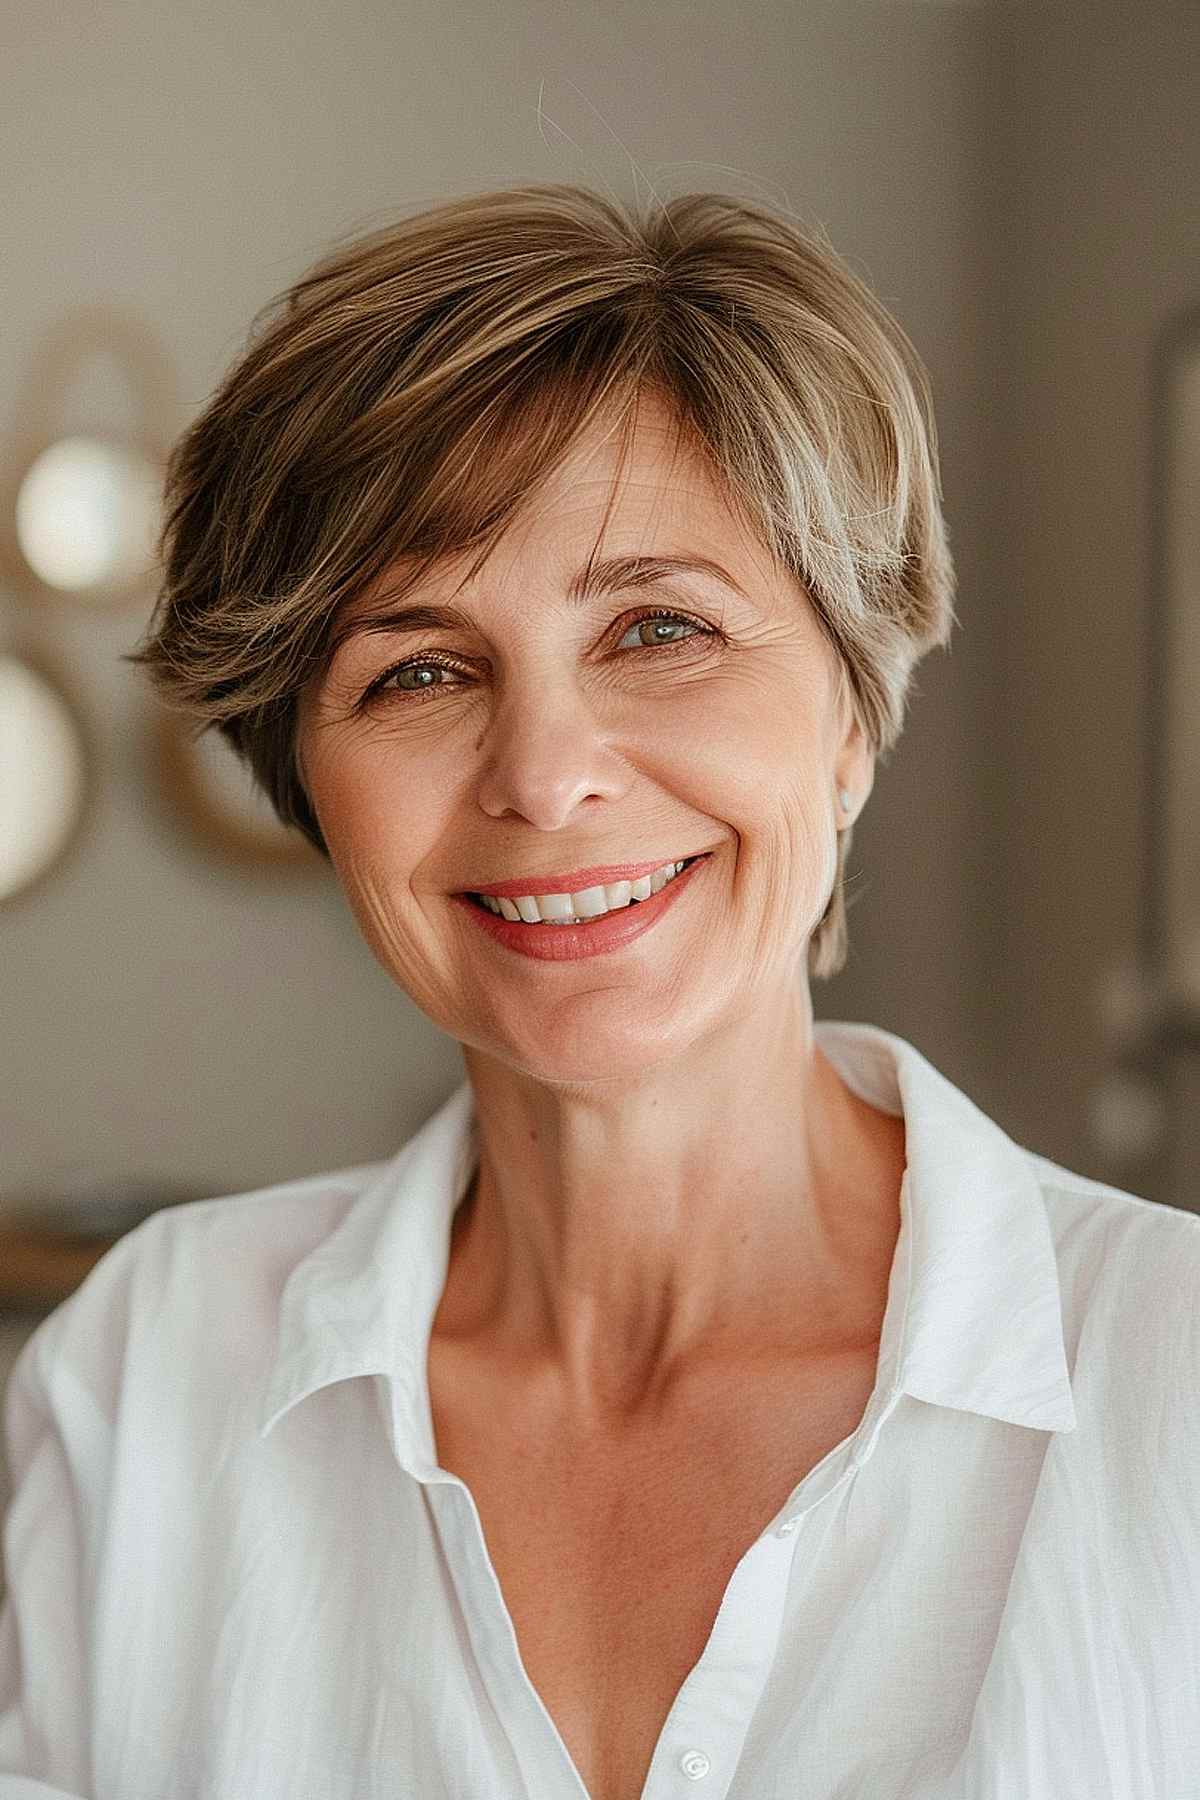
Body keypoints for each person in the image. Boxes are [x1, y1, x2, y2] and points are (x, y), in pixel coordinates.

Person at [2, 184, 1198, 1800]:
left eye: (658, 628)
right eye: (416, 669)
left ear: (852, 717)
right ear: (311, 776)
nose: (546, 776)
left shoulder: (1170, 1377)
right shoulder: (144, 1374)